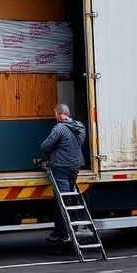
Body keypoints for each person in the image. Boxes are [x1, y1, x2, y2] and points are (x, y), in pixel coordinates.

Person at [40, 103, 86, 243]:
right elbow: (75, 145)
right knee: (69, 198)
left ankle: (64, 233)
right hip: (75, 167)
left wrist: (50, 154)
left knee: (62, 201)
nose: (55, 117)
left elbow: (45, 146)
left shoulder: (59, 128)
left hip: (60, 167)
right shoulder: (80, 127)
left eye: (55, 115)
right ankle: (68, 229)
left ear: (60, 114)